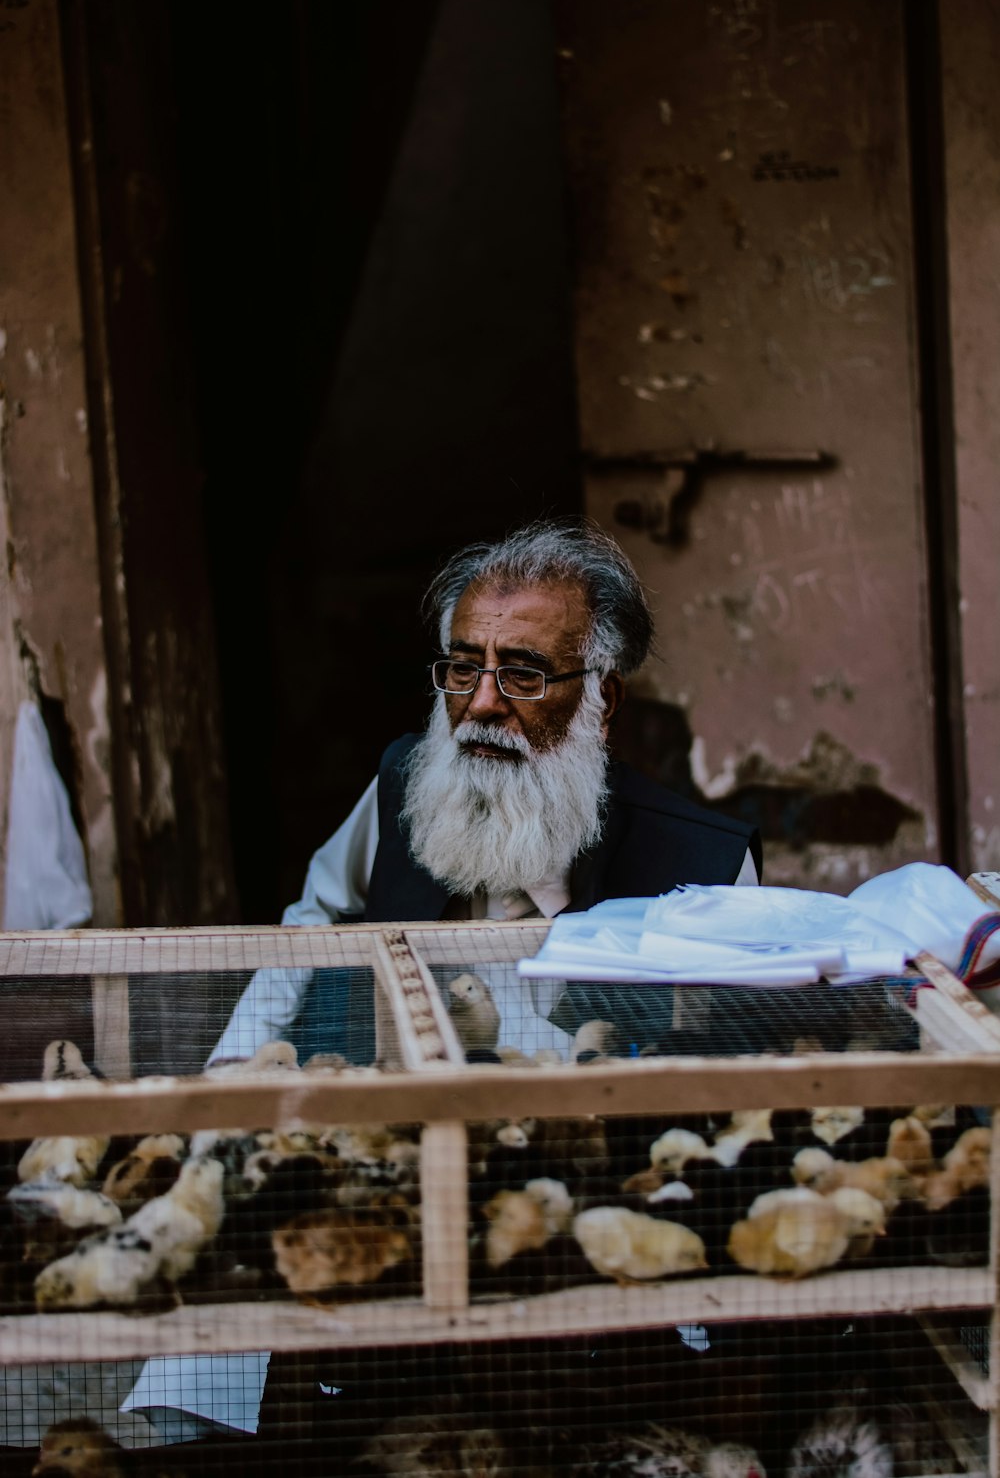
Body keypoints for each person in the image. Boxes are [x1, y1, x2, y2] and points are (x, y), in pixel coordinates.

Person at [124, 517, 761, 1441]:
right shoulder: (401, 786)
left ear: (602, 699)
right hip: (387, 1184)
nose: (484, 704)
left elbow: (735, 1086)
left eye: (525, 673)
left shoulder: (699, 861)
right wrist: (225, 1097)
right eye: (464, 667)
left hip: (586, 1211)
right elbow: (311, 927)